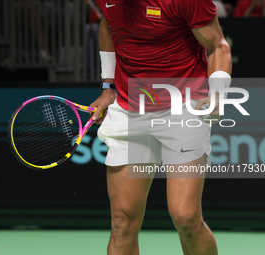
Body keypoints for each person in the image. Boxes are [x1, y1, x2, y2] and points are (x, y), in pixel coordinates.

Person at [90, 0, 232, 254]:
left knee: (185, 217)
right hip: (130, 108)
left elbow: (217, 46)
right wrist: (108, 86)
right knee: (122, 221)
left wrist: (218, 94)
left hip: (183, 107)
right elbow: (109, 24)